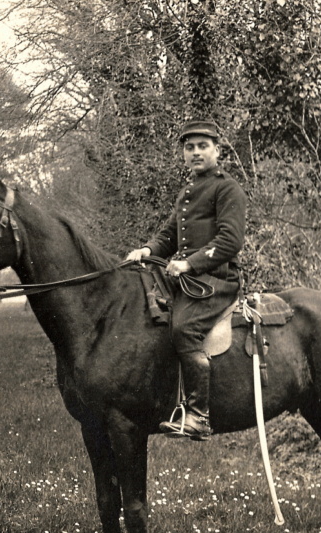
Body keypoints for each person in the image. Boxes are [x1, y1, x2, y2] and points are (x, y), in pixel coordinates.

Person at [125, 120, 248, 440]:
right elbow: (168, 235)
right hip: (192, 281)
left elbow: (229, 241)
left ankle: (199, 415)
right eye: (189, 147)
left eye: (202, 146)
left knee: (183, 329)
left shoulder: (227, 188)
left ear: (217, 150)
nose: (195, 153)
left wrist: (188, 264)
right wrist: (147, 249)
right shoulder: (188, 191)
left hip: (217, 281)